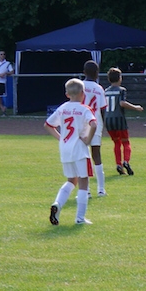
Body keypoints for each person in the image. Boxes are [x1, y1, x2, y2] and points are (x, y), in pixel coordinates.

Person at [45, 78, 97, 225]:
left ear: (67, 94)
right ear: (82, 93)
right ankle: (80, 218)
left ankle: (57, 204)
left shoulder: (62, 108)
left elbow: (48, 125)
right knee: (83, 182)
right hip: (80, 149)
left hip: (65, 149)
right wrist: (88, 140)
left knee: (71, 180)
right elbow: (93, 124)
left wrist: (61, 138)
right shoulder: (85, 109)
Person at [104, 68, 144, 175]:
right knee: (125, 142)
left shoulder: (106, 91)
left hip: (108, 120)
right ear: (120, 78)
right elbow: (122, 103)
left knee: (116, 142)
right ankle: (126, 161)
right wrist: (136, 107)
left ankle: (118, 164)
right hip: (119, 119)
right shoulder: (121, 90)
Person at [82, 60, 108, 197]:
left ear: (84, 72)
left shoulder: (79, 86)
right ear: (97, 73)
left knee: (83, 156)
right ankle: (101, 189)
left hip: (81, 125)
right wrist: (103, 124)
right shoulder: (99, 88)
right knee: (97, 155)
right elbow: (103, 109)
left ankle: (86, 191)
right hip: (95, 123)